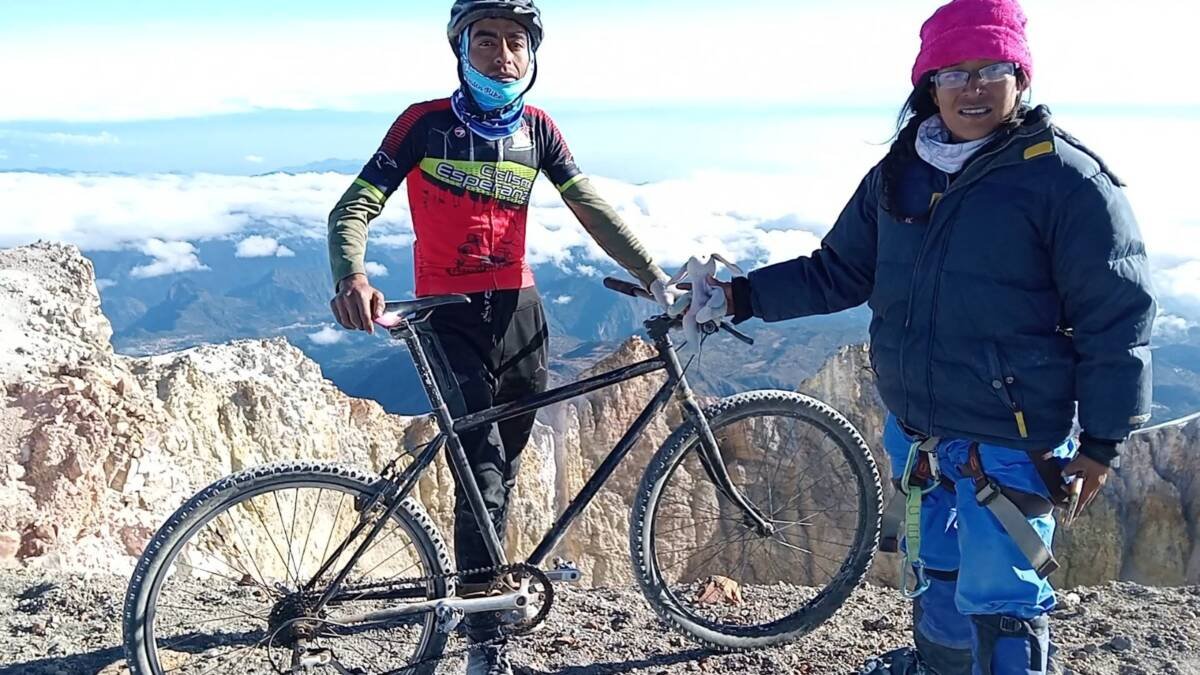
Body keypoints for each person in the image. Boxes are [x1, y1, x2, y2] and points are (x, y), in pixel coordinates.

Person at [712, 1, 1156, 673]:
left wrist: (1103, 441)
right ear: (929, 85)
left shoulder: (1067, 182)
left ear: (1021, 78)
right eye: (953, 73)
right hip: (918, 429)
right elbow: (840, 271)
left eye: (991, 70)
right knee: (937, 567)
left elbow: (1116, 317)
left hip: (1011, 438)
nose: (972, 88)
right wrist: (739, 297)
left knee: (1003, 591)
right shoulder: (902, 171)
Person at [326, 1, 668, 672]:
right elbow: (355, 205)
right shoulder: (424, 124)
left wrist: (653, 274)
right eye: (486, 41)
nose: (503, 55)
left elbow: (590, 207)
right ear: (461, 50)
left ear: (531, 55)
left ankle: (486, 593)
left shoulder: (539, 129)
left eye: (516, 42)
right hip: (447, 314)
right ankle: (483, 633)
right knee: (480, 472)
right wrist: (352, 275)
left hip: (521, 313)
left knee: (504, 467)